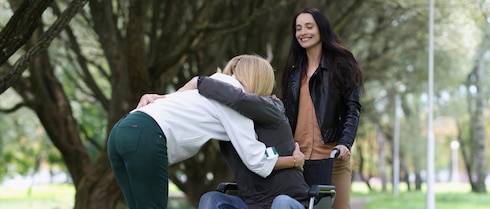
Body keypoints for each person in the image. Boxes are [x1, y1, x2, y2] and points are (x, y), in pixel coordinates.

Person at [107, 54, 304, 209]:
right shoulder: (233, 103)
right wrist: (295, 160)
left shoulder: (211, 85)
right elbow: (257, 161)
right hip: (147, 136)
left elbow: (189, 89)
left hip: (121, 131)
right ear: (261, 81)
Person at [280, 7, 364, 209]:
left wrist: (345, 143)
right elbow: (287, 110)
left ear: (321, 29)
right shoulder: (293, 68)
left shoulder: (342, 63)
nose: (303, 32)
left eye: (309, 26)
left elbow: (353, 107)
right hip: (298, 159)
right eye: (298, 28)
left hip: (332, 157)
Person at [194, 76, 309, 209]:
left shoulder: (273, 107)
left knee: (281, 202)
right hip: (252, 204)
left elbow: (237, 99)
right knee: (210, 199)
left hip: (291, 201)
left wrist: (199, 82)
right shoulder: (230, 122)